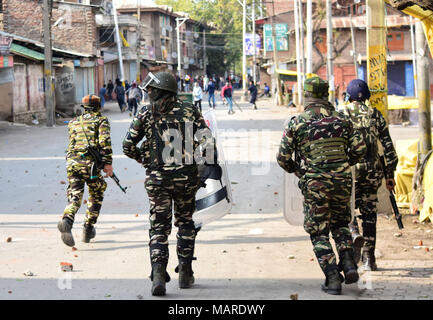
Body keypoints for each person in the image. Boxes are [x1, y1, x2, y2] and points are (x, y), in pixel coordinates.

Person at [122, 72, 217, 296]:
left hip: (158, 180)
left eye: (152, 90)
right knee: (185, 223)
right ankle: (185, 272)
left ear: (161, 90)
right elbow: (208, 141)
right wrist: (206, 165)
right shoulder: (190, 110)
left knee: (158, 229)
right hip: (186, 179)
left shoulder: (145, 113)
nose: (150, 93)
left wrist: (145, 159)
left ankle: (158, 275)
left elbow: (127, 145)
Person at [277, 77, 367, 295]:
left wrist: (299, 170)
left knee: (318, 232)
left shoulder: (297, 122)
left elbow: (282, 157)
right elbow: (360, 148)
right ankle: (348, 264)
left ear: (306, 95)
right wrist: (343, 165)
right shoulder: (342, 119)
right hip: (342, 181)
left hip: (316, 183)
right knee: (340, 225)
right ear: (326, 94)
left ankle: (333, 278)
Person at [338, 79, 398, 271]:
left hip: (350, 171)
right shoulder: (375, 115)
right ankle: (369, 258)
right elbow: (388, 148)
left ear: (348, 96)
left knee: (346, 209)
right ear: (367, 97)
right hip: (372, 171)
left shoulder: (341, 114)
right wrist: (390, 174)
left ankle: (354, 232)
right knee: (370, 214)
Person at [57, 95, 113, 247]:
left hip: (72, 163)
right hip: (90, 165)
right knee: (97, 191)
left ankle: (67, 220)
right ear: (99, 106)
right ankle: (88, 227)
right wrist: (107, 164)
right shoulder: (101, 120)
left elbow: (73, 142)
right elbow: (104, 143)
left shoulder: (74, 121)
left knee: (75, 194)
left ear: (84, 107)